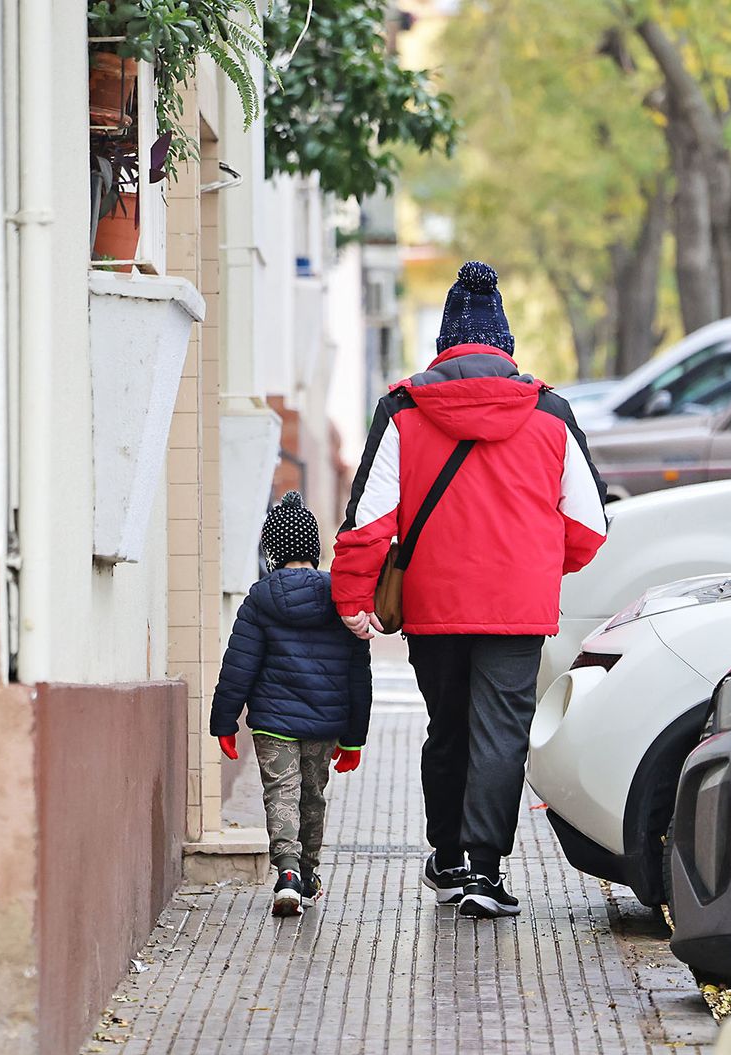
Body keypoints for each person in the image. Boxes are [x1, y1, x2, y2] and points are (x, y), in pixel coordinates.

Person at [331, 260, 607, 919]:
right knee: (501, 731)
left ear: (444, 347)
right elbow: (590, 525)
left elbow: (369, 518)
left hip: (433, 603)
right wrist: (540, 565)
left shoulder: (403, 409)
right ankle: (484, 872)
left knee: (448, 724)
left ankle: (448, 857)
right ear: (504, 346)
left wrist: (352, 596)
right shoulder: (551, 412)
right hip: (517, 605)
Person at [211, 491, 372, 917]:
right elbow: (359, 673)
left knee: (280, 793)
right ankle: (308, 873)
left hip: (271, 723)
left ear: (271, 552)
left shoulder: (259, 600)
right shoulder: (341, 599)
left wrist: (224, 721)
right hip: (325, 723)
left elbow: (238, 667)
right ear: (313, 549)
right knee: (312, 796)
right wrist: (354, 738)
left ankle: (286, 873)